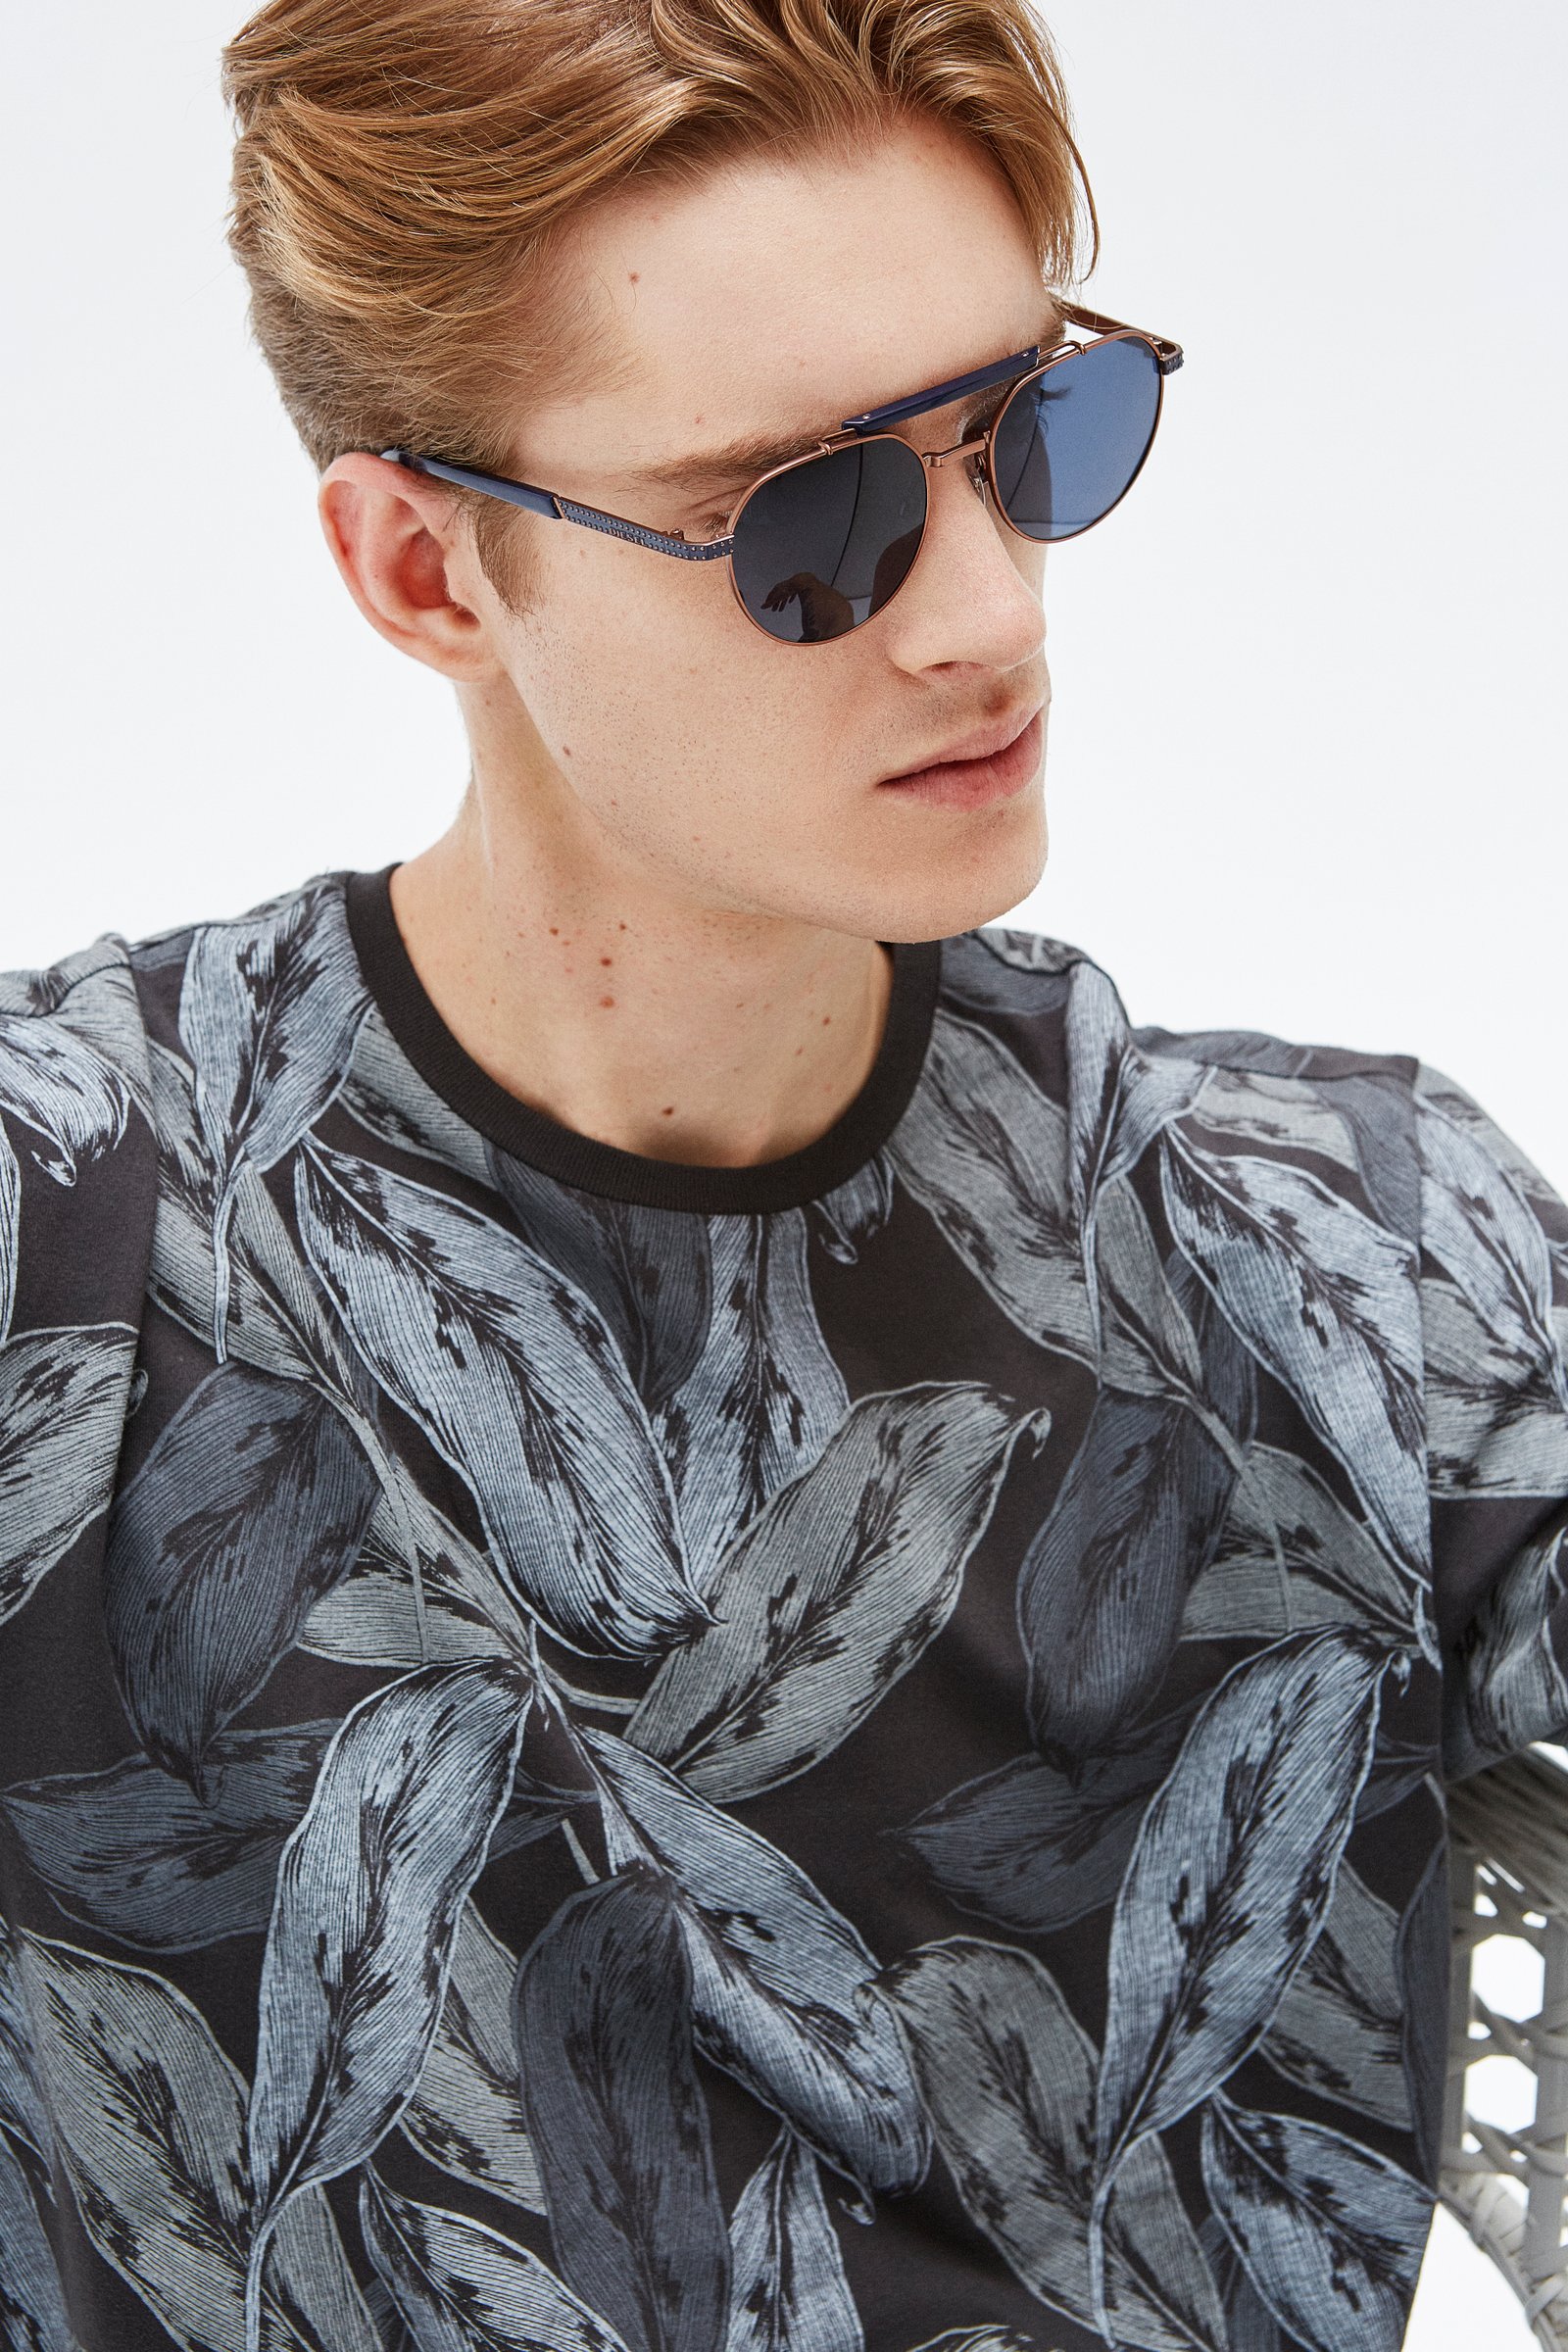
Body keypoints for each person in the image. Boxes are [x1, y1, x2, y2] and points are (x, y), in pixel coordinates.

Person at [1, 2, 1563, 2347]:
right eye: (809, 528)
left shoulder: (1354, 1244)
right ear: (425, 571)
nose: (991, 614)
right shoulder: (70, 1234)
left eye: (1026, 434)